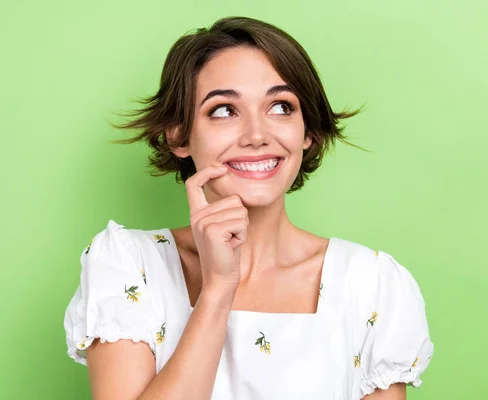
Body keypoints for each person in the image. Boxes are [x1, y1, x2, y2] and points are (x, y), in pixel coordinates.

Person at [63, 16, 434, 400]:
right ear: (178, 135)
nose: (257, 136)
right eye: (224, 110)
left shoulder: (370, 284)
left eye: (280, 106)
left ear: (307, 131)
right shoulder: (128, 266)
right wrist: (219, 288)